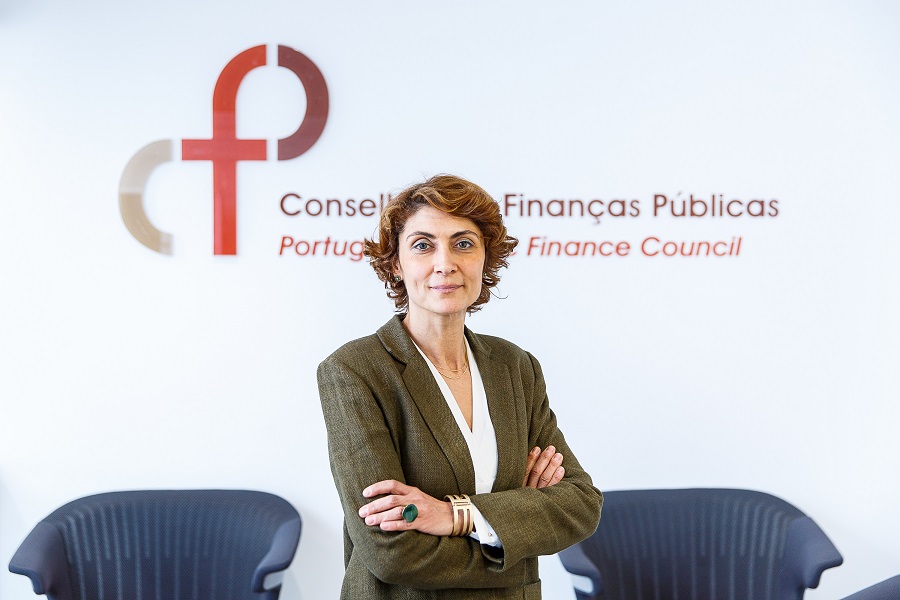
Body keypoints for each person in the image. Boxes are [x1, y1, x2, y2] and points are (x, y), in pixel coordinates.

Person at [318, 174, 602, 599]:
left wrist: (457, 515)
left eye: (463, 243)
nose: (445, 263)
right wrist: (514, 540)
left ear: (485, 258)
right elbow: (391, 552)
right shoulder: (355, 370)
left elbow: (580, 504)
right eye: (422, 245)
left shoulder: (515, 366)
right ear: (395, 263)